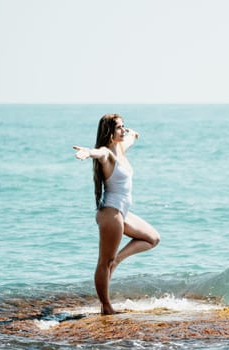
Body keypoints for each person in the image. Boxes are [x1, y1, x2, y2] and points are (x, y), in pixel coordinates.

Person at [73, 113, 160, 315]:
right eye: (118, 127)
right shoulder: (108, 154)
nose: (122, 130)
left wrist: (132, 133)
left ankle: (117, 260)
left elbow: (132, 136)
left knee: (152, 238)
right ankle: (106, 306)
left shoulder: (120, 148)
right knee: (104, 262)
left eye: (123, 126)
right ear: (109, 132)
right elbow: (100, 153)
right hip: (111, 214)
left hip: (122, 212)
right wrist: (88, 152)